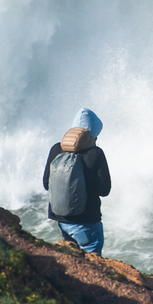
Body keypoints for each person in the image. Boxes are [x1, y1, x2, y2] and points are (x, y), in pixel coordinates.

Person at [42, 108, 111, 256]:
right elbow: (104, 190)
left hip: (60, 218)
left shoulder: (56, 148)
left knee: (71, 258)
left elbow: (46, 183)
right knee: (93, 263)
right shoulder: (95, 153)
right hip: (87, 221)